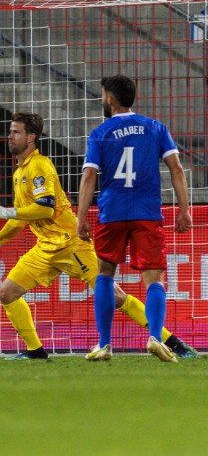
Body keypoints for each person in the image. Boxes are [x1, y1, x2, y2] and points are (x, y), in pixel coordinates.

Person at [0, 112, 196, 360]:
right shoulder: (19, 171)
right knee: (6, 293)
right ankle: (36, 352)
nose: (10, 136)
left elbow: (44, 208)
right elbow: (23, 216)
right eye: (10, 131)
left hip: (70, 243)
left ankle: (172, 342)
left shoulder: (40, 166)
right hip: (45, 248)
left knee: (116, 297)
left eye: (16, 132)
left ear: (31, 137)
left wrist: (5, 211)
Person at [77, 75, 193, 362]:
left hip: (112, 212)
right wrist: (184, 208)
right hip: (147, 212)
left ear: (111, 99)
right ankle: (155, 337)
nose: (103, 100)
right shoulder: (156, 128)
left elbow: (89, 175)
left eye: (103, 95)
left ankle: (104, 344)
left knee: (104, 274)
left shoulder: (100, 132)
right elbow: (176, 168)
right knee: (154, 278)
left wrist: (81, 216)